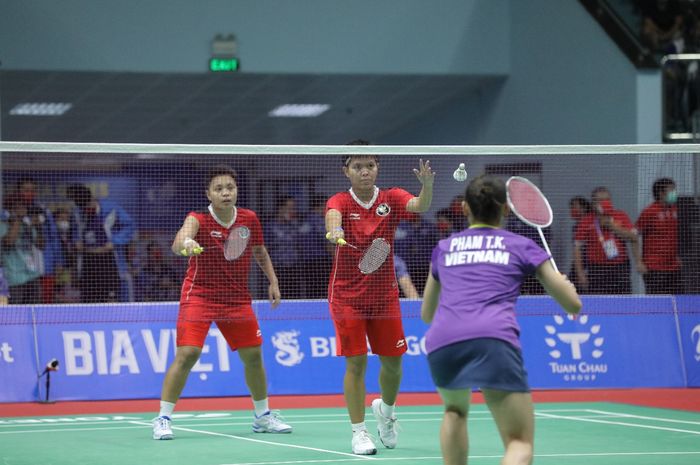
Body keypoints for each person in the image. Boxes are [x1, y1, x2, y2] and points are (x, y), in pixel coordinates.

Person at [421, 174, 581, 465]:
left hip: (443, 341)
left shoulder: (444, 248)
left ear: (464, 208)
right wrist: (565, 286)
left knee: (455, 411)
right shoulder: (522, 246)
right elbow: (572, 304)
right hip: (493, 338)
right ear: (507, 209)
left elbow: (426, 314)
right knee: (519, 443)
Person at [152, 165, 290, 440]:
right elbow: (179, 240)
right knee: (187, 354)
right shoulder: (199, 218)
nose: (226, 193)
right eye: (219, 189)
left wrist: (273, 281)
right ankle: (162, 418)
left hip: (236, 299)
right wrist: (187, 244)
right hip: (200, 296)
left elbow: (259, 251)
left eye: (230, 187)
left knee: (253, 356)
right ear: (209, 194)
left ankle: (262, 416)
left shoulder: (249, 218)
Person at [325, 139, 434, 455]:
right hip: (346, 296)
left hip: (384, 296)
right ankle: (358, 432)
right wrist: (335, 232)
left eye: (370, 165)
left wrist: (426, 186)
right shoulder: (340, 202)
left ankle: (386, 412)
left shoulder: (391, 197)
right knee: (356, 362)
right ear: (346, 170)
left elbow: (420, 205)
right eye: (358, 166)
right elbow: (332, 219)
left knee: (393, 363)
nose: (365, 172)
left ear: (377, 167)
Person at [66, 184, 136, 303]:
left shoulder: (111, 208)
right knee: (90, 299)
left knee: (112, 298)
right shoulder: (77, 213)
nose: (87, 210)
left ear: (92, 198)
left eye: (89, 207)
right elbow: (73, 233)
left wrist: (114, 241)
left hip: (109, 259)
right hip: (88, 261)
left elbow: (130, 226)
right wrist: (76, 242)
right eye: (84, 208)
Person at [573, 187, 639, 294]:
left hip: (620, 267)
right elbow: (577, 248)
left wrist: (612, 226)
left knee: (622, 299)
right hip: (597, 269)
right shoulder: (586, 221)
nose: (605, 203)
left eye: (607, 199)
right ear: (594, 204)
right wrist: (580, 273)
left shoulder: (620, 215)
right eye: (601, 200)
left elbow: (633, 237)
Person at [636, 177, 682, 294]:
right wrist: (639, 262)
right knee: (657, 302)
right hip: (654, 268)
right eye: (671, 190)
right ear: (661, 193)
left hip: (673, 267)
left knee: (675, 302)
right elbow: (634, 236)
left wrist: (677, 255)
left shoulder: (676, 210)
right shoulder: (649, 211)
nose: (675, 193)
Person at [1, 194, 45, 304]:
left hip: (32, 275)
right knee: (16, 313)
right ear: (10, 209)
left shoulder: (27, 226)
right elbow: (8, 243)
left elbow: (41, 245)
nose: (23, 209)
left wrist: (38, 227)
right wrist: (17, 219)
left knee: (34, 310)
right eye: (18, 207)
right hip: (14, 277)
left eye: (24, 207)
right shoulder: (3, 225)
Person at [266, 195, 304, 299]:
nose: (292, 210)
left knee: (294, 296)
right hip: (277, 268)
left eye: (293, 208)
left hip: (294, 267)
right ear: (281, 208)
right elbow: (264, 250)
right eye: (289, 208)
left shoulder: (295, 225)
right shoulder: (270, 226)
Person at [568, 196, 592, 287]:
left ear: (584, 208)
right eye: (571, 207)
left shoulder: (590, 224)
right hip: (578, 262)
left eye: (574, 207)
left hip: (588, 263)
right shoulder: (575, 226)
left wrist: (582, 271)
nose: (572, 210)